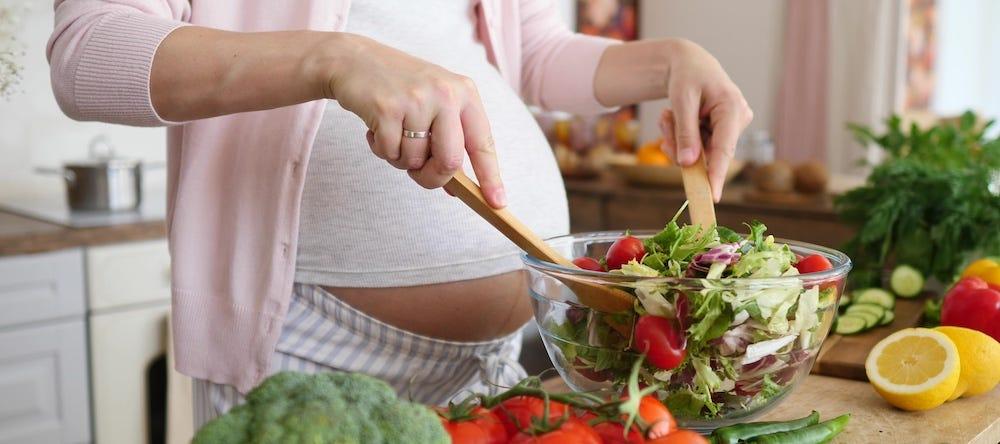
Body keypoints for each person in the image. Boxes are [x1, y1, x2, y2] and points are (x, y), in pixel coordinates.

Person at [48, 0, 752, 426]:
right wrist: (337, 59)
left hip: (498, 361)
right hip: (309, 351)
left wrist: (669, 61)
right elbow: (88, 51)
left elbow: (532, 53)